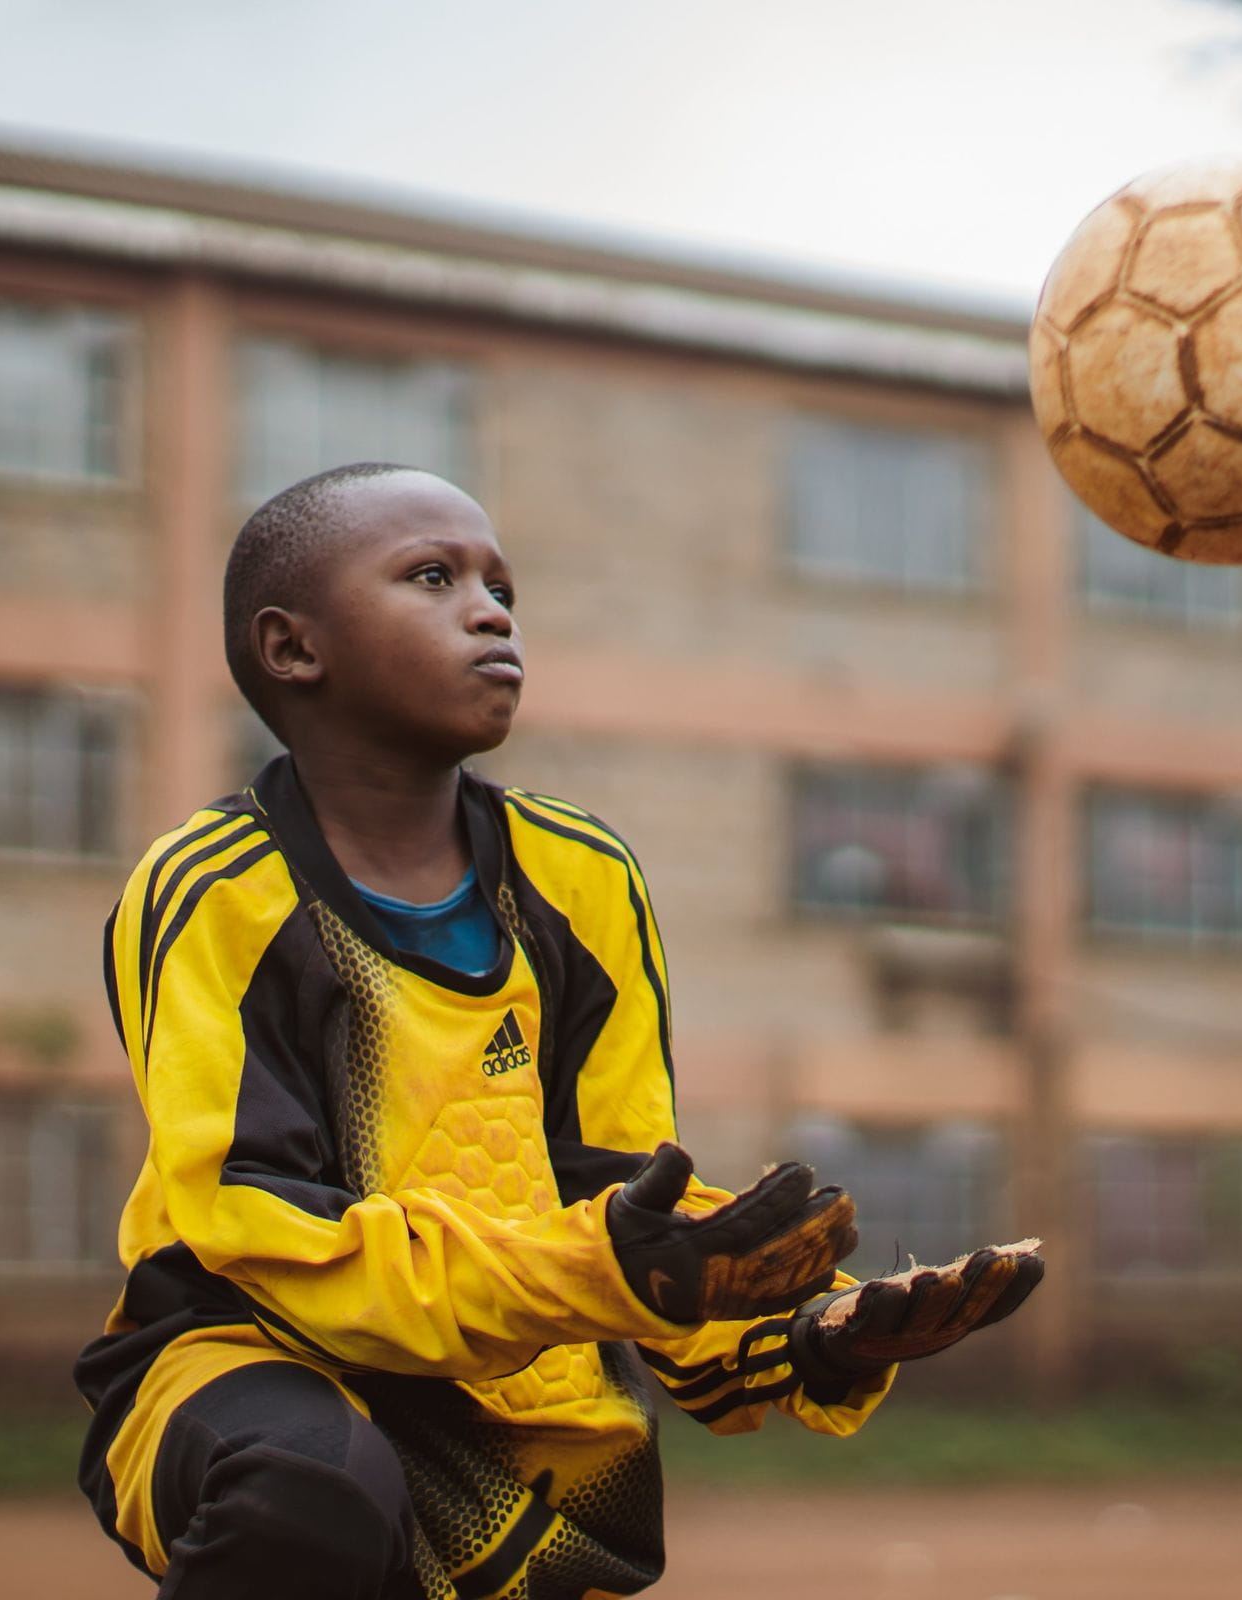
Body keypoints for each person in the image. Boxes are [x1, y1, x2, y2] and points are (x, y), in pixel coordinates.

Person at [75, 463, 1042, 1599]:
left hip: (525, 1416)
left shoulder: (578, 874)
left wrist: (798, 1337)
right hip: (247, 1362)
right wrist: (598, 1269)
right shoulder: (215, 889)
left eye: (502, 588)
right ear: (294, 648)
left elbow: (623, 1193)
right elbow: (257, 1229)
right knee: (310, 1492)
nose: (490, 610)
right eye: (433, 577)